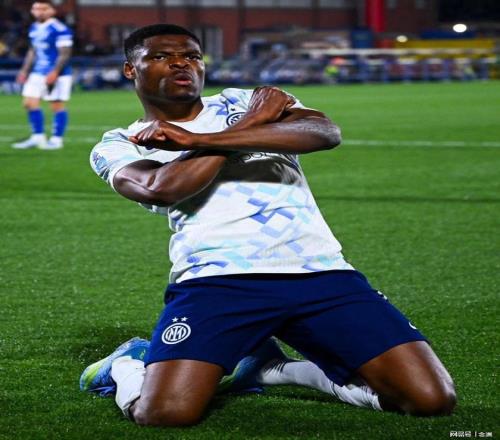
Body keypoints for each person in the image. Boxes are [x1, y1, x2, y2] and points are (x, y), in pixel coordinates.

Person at [83, 24, 456, 427]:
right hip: (218, 282)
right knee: (164, 413)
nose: (181, 64)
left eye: (191, 56)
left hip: (321, 273)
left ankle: (274, 369)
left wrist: (203, 138)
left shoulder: (242, 101)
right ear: (130, 69)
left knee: (431, 399)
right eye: (161, 56)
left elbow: (323, 132)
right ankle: (125, 365)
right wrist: (255, 124)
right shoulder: (122, 142)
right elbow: (163, 187)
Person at [12, 0, 72, 150]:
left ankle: (56, 140)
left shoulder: (59, 28)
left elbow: (65, 53)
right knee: (29, 103)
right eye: (36, 9)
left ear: (52, 11)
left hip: (57, 73)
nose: (39, 12)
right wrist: (24, 70)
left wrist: (55, 72)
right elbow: (33, 50)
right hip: (38, 71)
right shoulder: (34, 27)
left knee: (56, 105)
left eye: (43, 9)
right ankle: (37, 137)